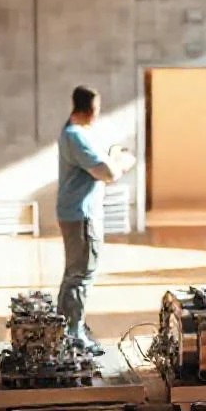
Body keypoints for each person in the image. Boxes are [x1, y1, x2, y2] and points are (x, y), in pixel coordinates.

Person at [55, 85, 136, 355]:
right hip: (82, 215)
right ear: (90, 109)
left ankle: (64, 330)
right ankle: (73, 335)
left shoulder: (75, 133)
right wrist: (122, 162)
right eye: (98, 109)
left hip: (75, 212)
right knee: (81, 275)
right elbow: (107, 172)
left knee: (73, 274)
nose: (98, 114)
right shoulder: (76, 135)